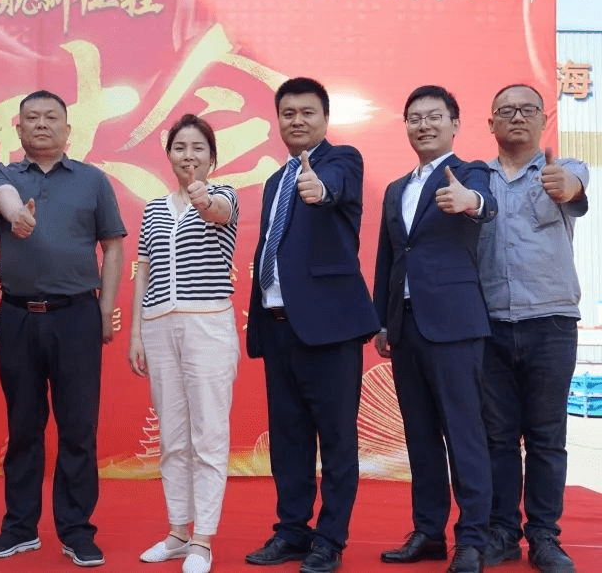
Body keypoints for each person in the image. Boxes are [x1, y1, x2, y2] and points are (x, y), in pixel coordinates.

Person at [0, 90, 126, 567]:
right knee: (23, 427)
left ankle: (77, 530)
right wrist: (16, 214)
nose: (41, 124)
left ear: (68, 129)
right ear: (18, 128)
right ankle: (19, 527)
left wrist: (105, 310)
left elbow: (113, 246)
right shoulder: (3, 174)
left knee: (78, 428)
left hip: (77, 316)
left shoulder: (92, 180)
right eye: (31, 118)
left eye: (51, 118)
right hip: (18, 317)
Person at [244, 77, 379, 573]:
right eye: (288, 113)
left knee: (337, 440)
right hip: (279, 326)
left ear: (325, 118)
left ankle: (330, 540)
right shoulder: (273, 182)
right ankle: (292, 531)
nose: (297, 120)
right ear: (278, 120)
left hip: (329, 329)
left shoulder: (342, 161)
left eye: (307, 112)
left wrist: (320, 190)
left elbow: (333, 188)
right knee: (289, 438)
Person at [372, 85, 496, 573]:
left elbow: (486, 204)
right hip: (405, 327)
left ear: (455, 124)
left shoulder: (471, 172)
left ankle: (473, 539)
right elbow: (388, 258)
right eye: (414, 118)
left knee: (464, 435)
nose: (423, 125)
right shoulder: (395, 188)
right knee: (420, 436)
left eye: (434, 116)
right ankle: (428, 532)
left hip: (455, 324)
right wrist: (383, 321)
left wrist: (470, 201)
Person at [478, 84, 587, 573]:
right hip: (489, 325)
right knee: (497, 438)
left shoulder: (563, 169)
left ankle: (545, 536)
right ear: (491, 124)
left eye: (528, 109)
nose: (517, 117)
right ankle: (502, 533)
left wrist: (565, 184)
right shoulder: (476, 179)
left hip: (551, 323)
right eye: (506, 110)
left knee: (546, 437)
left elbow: (573, 186)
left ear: (545, 119)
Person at [128, 114, 240, 573]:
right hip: (158, 327)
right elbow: (144, 270)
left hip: (207, 325)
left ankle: (203, 539)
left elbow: (219, 212)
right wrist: (136, 331)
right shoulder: (154, 208)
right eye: (180, 147)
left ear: (212, 157)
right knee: (172, 438)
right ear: (169, 154)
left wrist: (204, 199)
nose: (188, 155)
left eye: (198, 148)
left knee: (208, 436)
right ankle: (177, 531)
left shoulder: (224, 194)